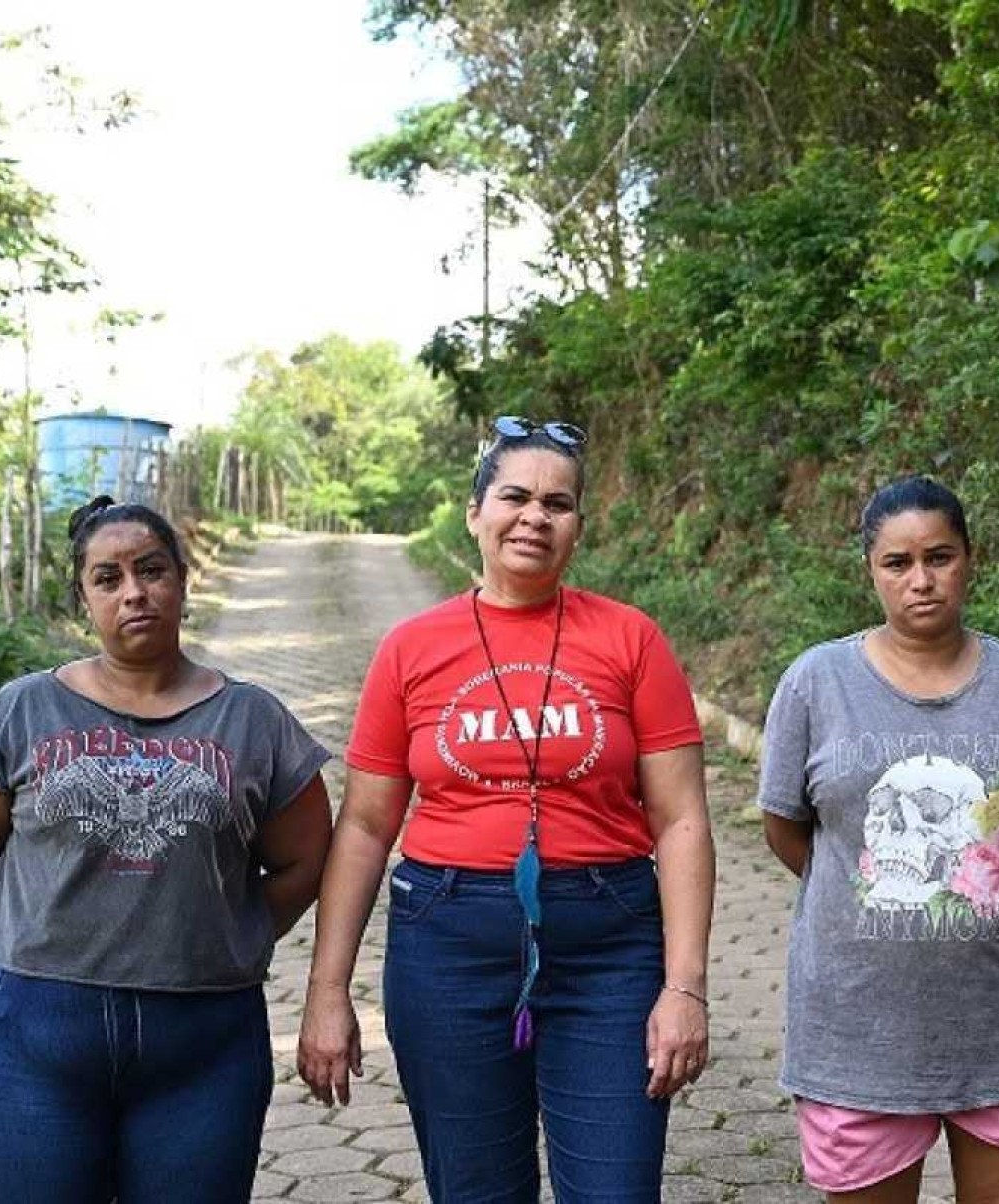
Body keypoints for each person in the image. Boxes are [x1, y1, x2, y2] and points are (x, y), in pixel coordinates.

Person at [296, 416, 715, 1203]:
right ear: (474, 512)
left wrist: (684, 987)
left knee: (617, 1190)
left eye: (558, 504)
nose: (535, 517)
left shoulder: (632, 639)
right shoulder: (410, 648)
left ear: (579, 526)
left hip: (609, 944)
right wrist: (327, 992)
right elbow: (363, 825)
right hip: (446, 947)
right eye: (515, 496)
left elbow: (683, 819)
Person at [0, 495, 333, 1203]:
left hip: (203, 1044)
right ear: (83, 598)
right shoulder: (18, 713)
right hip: (34, 1036)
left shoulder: (253, 720)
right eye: (107, 578)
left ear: (182, 578)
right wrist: (43, 935)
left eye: (151, 570)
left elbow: (303, 862)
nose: (134, 592)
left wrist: (224, 932)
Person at [756, 475, 999, 1204]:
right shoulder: (817, 683)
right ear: (871, 571)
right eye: (898, 563)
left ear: (971, 559)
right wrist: (872, 896)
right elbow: (789, 830)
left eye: (940, 557)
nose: (922, 580)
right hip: (859, 1029)